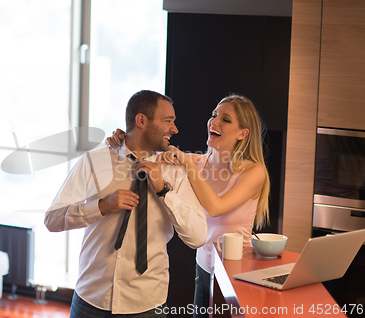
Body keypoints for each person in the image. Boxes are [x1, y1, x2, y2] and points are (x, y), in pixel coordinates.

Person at [44, 90, 208, 318]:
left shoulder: (174, 171)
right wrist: (101, 207)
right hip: (91, 300)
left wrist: (164, 191)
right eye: (168, 121)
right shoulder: (96, 160)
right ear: (141, 120)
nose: (174, 129)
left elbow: (198, 237)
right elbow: (52, 219)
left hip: (146, 305)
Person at [107, 94, 270, 318]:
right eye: (214, 116)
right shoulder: (196, 162)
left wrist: (185, 161)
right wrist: (123, 138)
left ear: (243, 133)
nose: (214, 122)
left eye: (226, 119)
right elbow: (146, 152)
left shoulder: (254, 172)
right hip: (204, 269)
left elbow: (215, 207)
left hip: (237, 274)